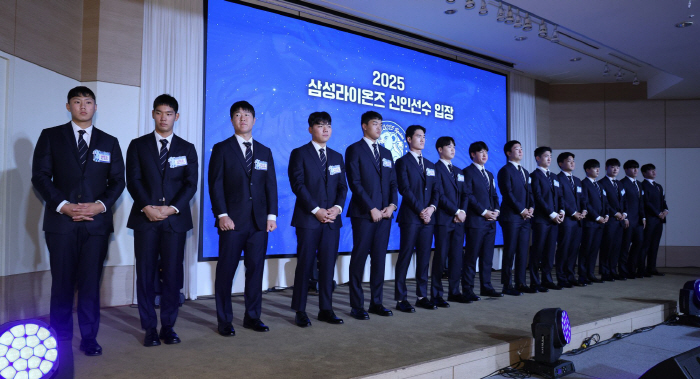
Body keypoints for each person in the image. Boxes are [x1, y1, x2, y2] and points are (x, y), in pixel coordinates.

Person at [31, 86, 125, 356]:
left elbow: (118, 181)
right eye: (77, 101)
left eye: (88, 102)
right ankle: (60, 337)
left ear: (95, 107)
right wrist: (64, 206)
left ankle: (89, 338)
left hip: (96, 226)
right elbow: (40, 176)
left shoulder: (109, 141)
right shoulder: (51, 137)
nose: (83, 106)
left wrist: (99, 206)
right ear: (68, 106)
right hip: (61, 224)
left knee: (90, 283)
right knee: (61, 282)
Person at [126, 94, 198, 347]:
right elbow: (133, 180)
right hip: (145, 219)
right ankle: (149, 328)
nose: (164, 117)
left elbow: (191, 184)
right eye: (159, 112)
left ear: (176, 117)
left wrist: (171, 209)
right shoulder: (137, 145)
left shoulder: (187, 148)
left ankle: (168, 326)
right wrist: (148, 207)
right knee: (145, 275)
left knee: (172, 274)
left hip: (174, 221)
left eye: (169, 113)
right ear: (153, 114)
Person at [208, 100, 278, 336]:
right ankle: (224, 320)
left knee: (255, 271)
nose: (243, 119)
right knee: (226, 271)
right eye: (238, 115)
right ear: (232, 120)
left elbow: (271, 187)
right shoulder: (222, 149)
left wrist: (271, 216)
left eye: (247, 115)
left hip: (258, 223)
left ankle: (252, 316)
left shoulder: (264, 151)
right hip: (232, 223)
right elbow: (215, 185)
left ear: (254, 120)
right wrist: (222, 215)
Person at [288, 112, 347, 327]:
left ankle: (326, 309)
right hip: (308, 219)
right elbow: (298, 185)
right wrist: (316, 210)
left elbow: (343, 186)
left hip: (332, 220)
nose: (325, 129)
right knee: (305, 264)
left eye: (328, 125)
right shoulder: (299, 153)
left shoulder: (337, 157)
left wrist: (337, 209)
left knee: (328, 265)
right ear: (310, 129)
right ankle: (300, 310)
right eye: (320, 125)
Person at [345, 111, 398, 320]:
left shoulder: (386, 153)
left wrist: (392, 206)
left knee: (379, 259)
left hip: (385, 215)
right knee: (359, 257)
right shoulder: (354, 150)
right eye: (375, 124)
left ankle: (377, 302)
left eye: (381, 124)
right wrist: (371, 208)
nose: (379, 127)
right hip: (364, 214)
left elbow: (393, 183)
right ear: (364, 126)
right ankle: (357, 305)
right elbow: (355, 183)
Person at [394, 125, 440, 312]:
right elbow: (404, 189)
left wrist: (431, 208)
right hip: (411, 217)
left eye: (424, 136)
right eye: (418, 136)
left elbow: (436, 190)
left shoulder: (430, 164)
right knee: (405, 256)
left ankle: (422, 296)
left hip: (428, 218)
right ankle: (400, 298)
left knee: (423, 258)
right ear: (408, 139)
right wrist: (421, 210)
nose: (422, 139)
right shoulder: (402, 162)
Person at [463, 141, 502, 299]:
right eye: (481, 152)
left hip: (491, 222)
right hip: (476, 221)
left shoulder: (490, 174)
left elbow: (494, 195)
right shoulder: (467, 172)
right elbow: (469, 196)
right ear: (473, 154)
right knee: (471, 257)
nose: (485, 155)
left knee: (487, 257)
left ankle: (486, 286)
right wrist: (484, 212)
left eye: (486, 151)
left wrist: (496, 211)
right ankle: (468, 289)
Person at [433, 137, 469, 303]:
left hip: (459, 220)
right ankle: (436, 294)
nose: (453, 149)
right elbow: (438, 195)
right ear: (440, 149)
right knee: (440, 257)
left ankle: (454, 292)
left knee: (456, 257)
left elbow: (465, 195)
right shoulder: (435, 169)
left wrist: (461, 211)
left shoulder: (459, 171)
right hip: (443, 219)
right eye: (449, 147)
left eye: (454, 146)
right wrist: (455, 211)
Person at [497, 140, 535, 296]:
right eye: (516, 149)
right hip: (512, 217)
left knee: (522, 251)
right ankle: (507, 284)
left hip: (526, 218)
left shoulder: (525, 172)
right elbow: (508, 193)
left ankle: (521, 283)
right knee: (510, 251)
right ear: (508, 153)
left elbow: (530, 192)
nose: (520, 151)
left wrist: (531, 208)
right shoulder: (505, 170)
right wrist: (521, 210)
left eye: (521, 148)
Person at [529, 146, 564, 292]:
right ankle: (535, 281)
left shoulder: (554, 177)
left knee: (550, 250)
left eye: (550, 156)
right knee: (538, 250)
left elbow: (560, 196)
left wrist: (561, 211)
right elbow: (537, 197)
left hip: (555, 219)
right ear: (537, 158)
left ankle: (547, 279)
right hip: (541, 219)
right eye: (546, 156)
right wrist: (552, 213)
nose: (549, 159)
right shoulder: (534, 175)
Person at [555, 152, 588, 288]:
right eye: (569, 161)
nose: (572, 163)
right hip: (567, 219)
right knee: (564, 248)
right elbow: (560, 198)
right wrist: (573, 212)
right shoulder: (557, 179)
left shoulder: (578, 180)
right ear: (560, 164)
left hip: (578, 220)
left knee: (574, 249)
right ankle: (561, 277)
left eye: (573, 161)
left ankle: (570, 276)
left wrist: (584, 210)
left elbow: (582, 199)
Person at [578, 159, 609, 284]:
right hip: (590, 222)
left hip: (600, 223)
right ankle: (582, 275)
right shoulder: (583, 183)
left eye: (598, 168)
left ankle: (590, 273)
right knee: (586, 249)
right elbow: (585, 203)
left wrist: (606, 214)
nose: (598, 170)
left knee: (594, 249)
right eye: (594, 168)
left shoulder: (600, 185)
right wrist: (597, 217)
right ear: (587, 170)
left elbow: (605, 202)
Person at [598, 158, 627, 281]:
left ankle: (613, 270)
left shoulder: (620, 183)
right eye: (612, 167)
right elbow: (604, 203)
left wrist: (625, 214)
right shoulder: (601, 183)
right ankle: (605, 272)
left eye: (617, 167)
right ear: (606, 168)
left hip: (620, 221)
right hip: (609, 220)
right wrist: (614, 213)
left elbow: (625, 201)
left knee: (616, 247)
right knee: (607, 246)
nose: (615, 169)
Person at [640, 163, 668, 277]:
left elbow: (663, 201)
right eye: (651, 171)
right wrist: (657, 213)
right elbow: (646, 202)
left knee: (655, 245)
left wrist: (666, 210)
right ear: (644, 173)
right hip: (650, 219)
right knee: (645, 245)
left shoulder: (658, 186)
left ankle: (652, 268)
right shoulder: (643, 186)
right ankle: (641, 269)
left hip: (659, 220)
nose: (654, 172)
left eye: (654, 170)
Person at [619, 160, 645, 279]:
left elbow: (641, 203)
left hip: (638, 220)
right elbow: (622, 202)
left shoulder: (639, 184)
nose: (635, 170)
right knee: (624, 246)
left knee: (638, 244)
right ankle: (623, 271)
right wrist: (625, 217)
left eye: (637, 168)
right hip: (628, 219)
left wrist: (643, 217)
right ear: (626, 170)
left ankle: (632, 269)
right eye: (632, 168)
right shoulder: (622, 183)